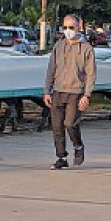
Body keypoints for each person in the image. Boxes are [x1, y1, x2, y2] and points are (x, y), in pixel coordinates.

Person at [43, 14, 96, 170]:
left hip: (76, 92)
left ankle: (78, 146)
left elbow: (91, 74)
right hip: (58, 91)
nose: (68, 31)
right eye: (65, 27)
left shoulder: (86, 49)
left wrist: (86, 95)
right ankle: (61, 157)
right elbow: (51, 69)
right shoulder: (59, 46)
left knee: (69, 123)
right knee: (57, 126)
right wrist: (47, 91)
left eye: (71, 27)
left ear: (78, 28)